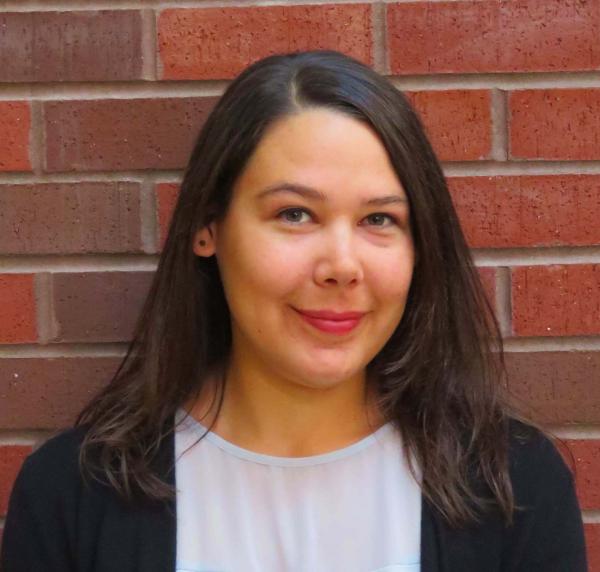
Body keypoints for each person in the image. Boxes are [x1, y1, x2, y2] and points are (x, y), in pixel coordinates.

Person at [1, 50, 587, 572]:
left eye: (379, 219)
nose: (341, 265)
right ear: (209, 225)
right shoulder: (71, 495)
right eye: (295, 214)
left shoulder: (515, 488)